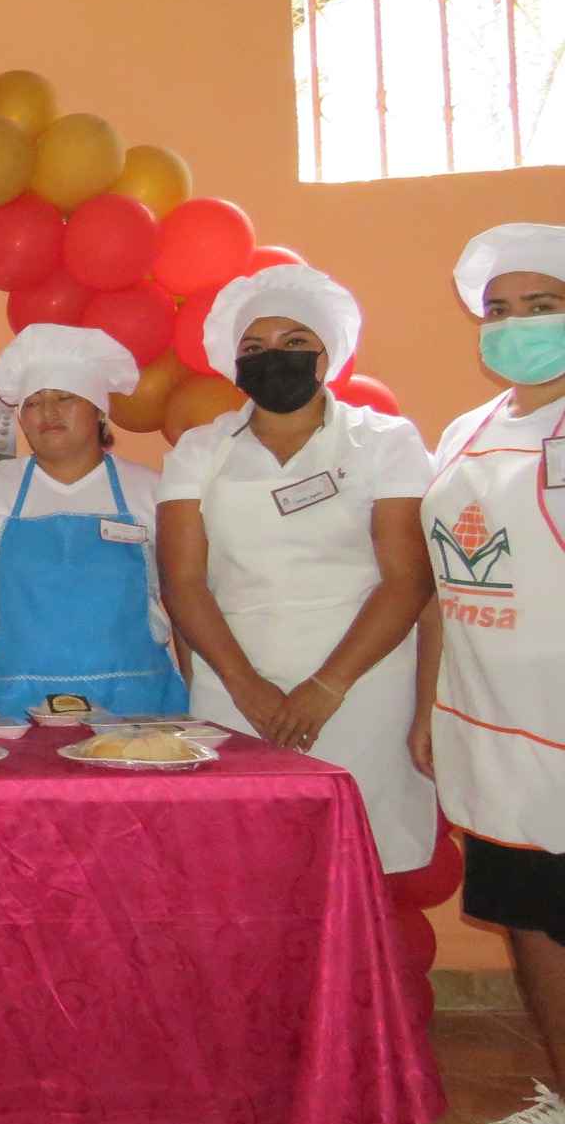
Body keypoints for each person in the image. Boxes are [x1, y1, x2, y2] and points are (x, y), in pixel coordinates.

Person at [157, 264, 435, 872]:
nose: (272, 358)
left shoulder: (386, 441)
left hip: (364, 684)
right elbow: (183, 582)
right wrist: (245, 685)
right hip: (233, 683)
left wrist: (325, 688)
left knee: (359, 866)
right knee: (241, 867)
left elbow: (407, 579)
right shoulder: (200, 451)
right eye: (254, 348)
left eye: (294, 344)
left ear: (325, 355)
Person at [414, 225, 565, 1124]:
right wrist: (434, 701)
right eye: (500, 310)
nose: (515, 326)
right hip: (487, 720)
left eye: (540, 307)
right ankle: (561, 1092)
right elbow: (438, 580)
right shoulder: (467, 430)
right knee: (525, 920)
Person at [0, 324, 184, 719]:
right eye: (32, 403)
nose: (47, 412)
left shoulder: (151, 490)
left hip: (137, 705)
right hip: (15, 708)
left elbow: (184, 595)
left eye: (65, 398)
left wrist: (198, 699)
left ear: (99, 410)